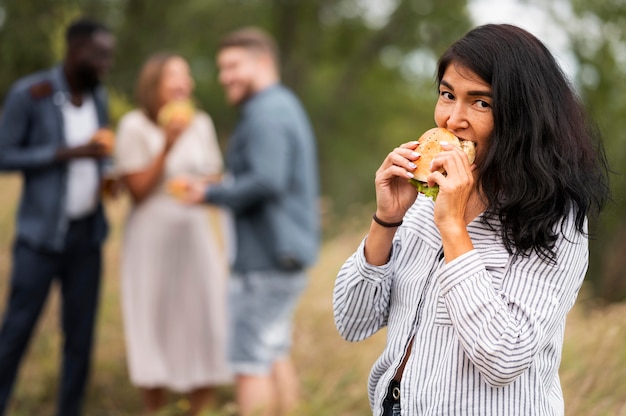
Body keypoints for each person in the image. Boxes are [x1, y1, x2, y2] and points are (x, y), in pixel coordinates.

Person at [333, 23, 610, 416]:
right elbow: (352, 321)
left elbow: (504, 357)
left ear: (520, 116)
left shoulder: (554, 219)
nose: (453, 120)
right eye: (447, 95)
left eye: (481, 103)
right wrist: (387, 219)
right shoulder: (423, 200)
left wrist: (453, 228)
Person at [184, 27, 320, 416]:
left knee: (248, 364)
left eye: (232, 66)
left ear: (261, 62)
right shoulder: (281, 105)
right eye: (222, 68)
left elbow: (266, 180)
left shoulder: (266, 112)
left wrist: (207, 194)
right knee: (274, 354)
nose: (225, 76)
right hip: (283, 254)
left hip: (266, 258)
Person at [0, 19, 115, 416]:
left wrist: (108, 174)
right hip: (40, 239)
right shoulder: (32, 93)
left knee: (80, 340)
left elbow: (101, 155)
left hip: (87, 237)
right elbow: (5, 155)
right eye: (99, 55)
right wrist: (63, 153)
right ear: (75, 50)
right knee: (16, 331)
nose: (106, 64)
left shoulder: (99, 98)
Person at [114, 53, 231, 415]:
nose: (186, 84)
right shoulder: (134, 126)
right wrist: (166, 144)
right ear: (154, 84)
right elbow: (136, 191)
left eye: (187, 77)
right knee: (153, 317)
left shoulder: (201, 123)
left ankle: (200, 407)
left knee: (202, 315)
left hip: (194, 234)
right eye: (175, 77)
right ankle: (156, 408)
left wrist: (201, 184)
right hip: (150, 239)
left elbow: (214, 176)